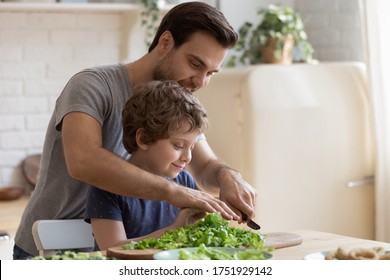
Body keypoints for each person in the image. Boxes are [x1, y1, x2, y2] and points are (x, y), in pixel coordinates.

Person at [13, 1, 257, 259]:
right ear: (165, 43)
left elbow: (206, 167)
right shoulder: (92, 85)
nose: (201, 82)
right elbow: (83, 161)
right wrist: (175, 193)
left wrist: (228, 176)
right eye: (195, 64)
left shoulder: (177, 103)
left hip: (125, 251)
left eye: (211, 73)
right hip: (50, 251)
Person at [86, 80, 208, 250]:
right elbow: (112, 250)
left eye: (192, 147)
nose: (187, 157)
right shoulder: (108, 186)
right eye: (178, 146)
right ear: (143, 139)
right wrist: (174, 230)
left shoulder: (185, 181)